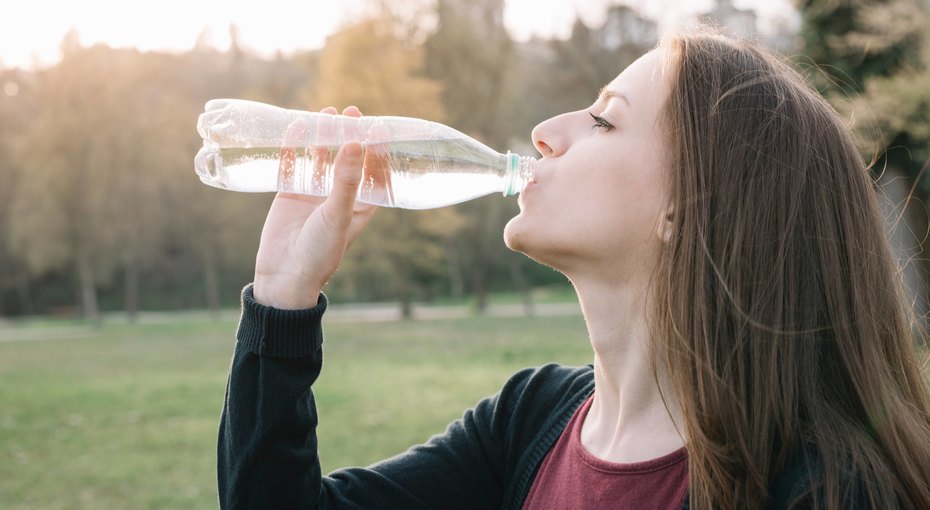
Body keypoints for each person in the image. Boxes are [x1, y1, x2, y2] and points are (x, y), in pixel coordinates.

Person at [216, 29, 930, 509]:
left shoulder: (825, 489)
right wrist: (282, 296)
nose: (544, 134)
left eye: (603, 119)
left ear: (688, 206)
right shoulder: (528, 422)